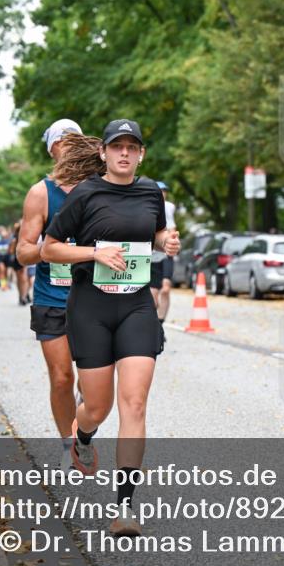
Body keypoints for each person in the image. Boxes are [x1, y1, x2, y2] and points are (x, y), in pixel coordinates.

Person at [41, 119, 180, 536]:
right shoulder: (86, 193)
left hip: (137, 305)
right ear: (103, 153)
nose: (124, 153)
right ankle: (82, 435)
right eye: (116, 146)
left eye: (131, 147)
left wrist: (165, 242)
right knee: (98, 407)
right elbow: (50, 248)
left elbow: (154, 233)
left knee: (134, 404)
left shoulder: (151, 191)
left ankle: (125, 508)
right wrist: (95, 254)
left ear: (141, 154)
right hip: (91, 308)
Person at [16, 118, 85, 470]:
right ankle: (66, 444)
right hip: (52, 297)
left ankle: (85, 418)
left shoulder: (99, 187)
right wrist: (51, 247)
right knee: (61, 377)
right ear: (53, 149)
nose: (71, 145)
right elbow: (23, 252)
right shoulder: (41, 193)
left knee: (91, 378)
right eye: (64, 140)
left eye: (77, 139)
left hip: (94, 298)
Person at [149, 181, 177, 326]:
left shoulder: (169, 207)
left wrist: (173, 241)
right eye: (160, 191)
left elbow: (172, 228)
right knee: (152, 295)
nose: (163, 194)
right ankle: (154, 323)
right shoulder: (146, 205)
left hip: (165, 255)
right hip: (151, 256)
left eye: (165, 191)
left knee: (165, 289)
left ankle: (160, 323)